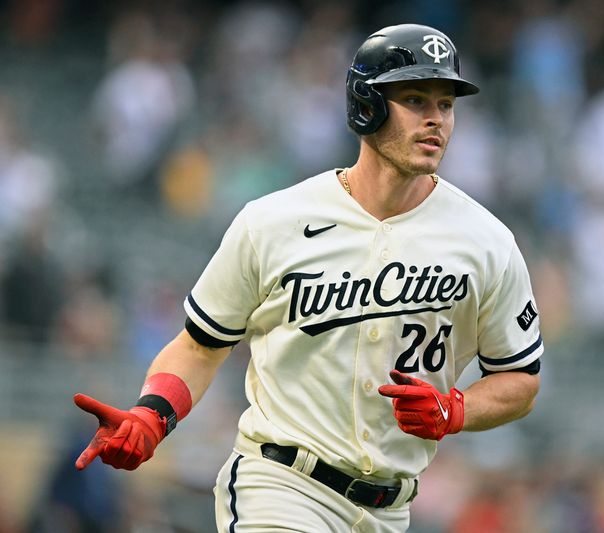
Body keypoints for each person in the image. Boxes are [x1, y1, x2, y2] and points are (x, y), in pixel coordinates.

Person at [74, 24, 544, 532]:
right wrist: (152, 414)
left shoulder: (487, 241)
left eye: (446, 104)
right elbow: (201, 344)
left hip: (390, 511)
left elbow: (520, 380)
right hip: (280, 487)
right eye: (415, 99)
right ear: (368, 105)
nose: (436, 119)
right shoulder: (274, 221)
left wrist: (457, 409)